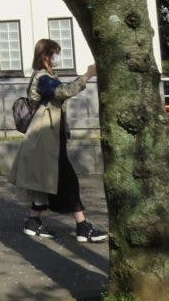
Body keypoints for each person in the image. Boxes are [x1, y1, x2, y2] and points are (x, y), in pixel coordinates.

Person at [8, 39, 108, 242]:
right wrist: (88, 74)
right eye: (56, 53)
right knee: (68, 180)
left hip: (49, 138)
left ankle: (33, 222)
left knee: (46, 182)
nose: (58, 57)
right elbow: (63, 91)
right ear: (46, 56)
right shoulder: (44, 79)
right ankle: (82, 226)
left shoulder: (47, 77)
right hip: (47, 140)